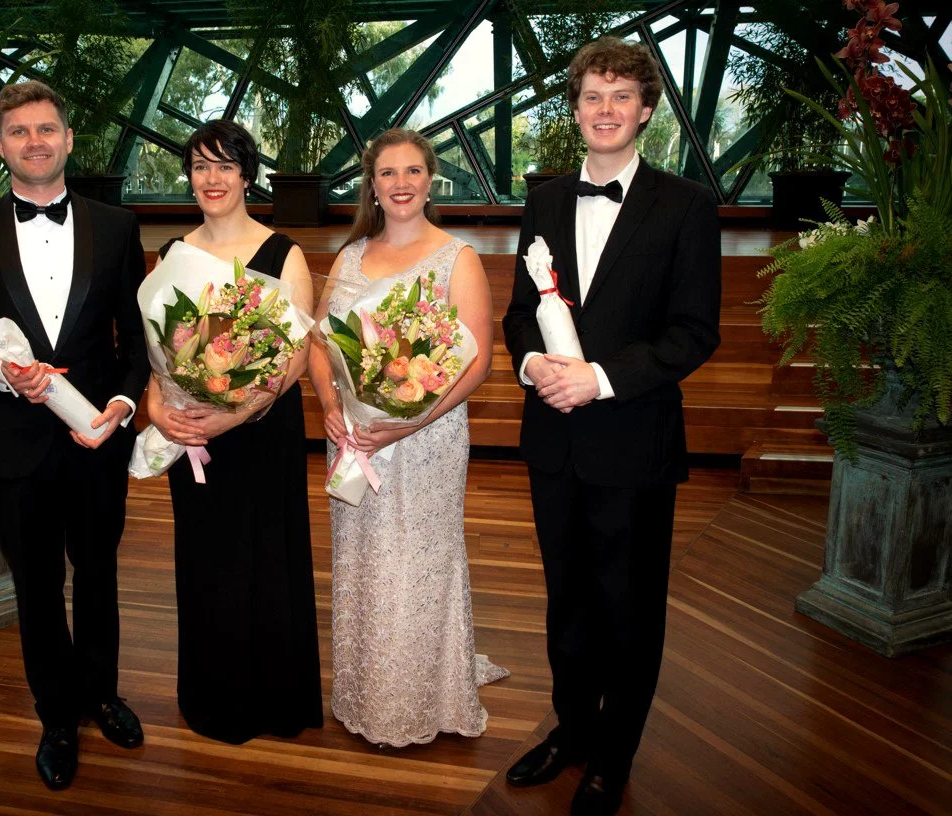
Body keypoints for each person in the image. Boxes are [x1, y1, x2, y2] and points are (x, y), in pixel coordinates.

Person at [501, 37, 722, 815]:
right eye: (592, 96)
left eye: (620, 97)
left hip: (633, 443)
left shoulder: (688, 206)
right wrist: (533, 369)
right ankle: (571, 729)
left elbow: (694, 332)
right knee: (567, 600)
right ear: (574, 110)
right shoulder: (545, 199)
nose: (605, 110)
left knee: (628, 608)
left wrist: (596, 378)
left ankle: (614, 754)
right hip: (554, 442)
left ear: (647, 109)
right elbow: (520, 315)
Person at [0, 80, 149, 790]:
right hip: (14, 442)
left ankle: (102, 693)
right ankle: (56, 716)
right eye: (19, 132)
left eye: (47, 129)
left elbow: (137, 341)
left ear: (69, 139)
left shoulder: (117, 226)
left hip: (94, 437)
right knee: (38, 585)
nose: (36, 142)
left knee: (101, 573)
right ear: (0, 144)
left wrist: (120, 402)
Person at [307, 128, 505, 747]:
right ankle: (367, 687)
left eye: (412, 172)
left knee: (420, 561)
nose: (400, 184)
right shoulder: (350, 257)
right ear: (373, 184)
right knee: (363, 559)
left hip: (428, 437)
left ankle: (424, 692)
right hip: (357, 436)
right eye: (388, 173)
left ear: (430, 180)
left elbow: (477, 361)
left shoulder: (457, 258)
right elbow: (319, 342)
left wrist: (411, 420)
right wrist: (327, 408)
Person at [143, 119, 323, 745]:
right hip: (195, 431)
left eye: (224, 165)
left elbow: (295, 357)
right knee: (206, 562)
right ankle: (211, 694)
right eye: (199, 166)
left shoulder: (283, 252)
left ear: (247, 174)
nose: (211, 179)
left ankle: (274, 699)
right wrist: (156, 409)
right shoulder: (172, 257)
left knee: (267, 556)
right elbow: (156, 355)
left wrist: (236, 413)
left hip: (261, 431)